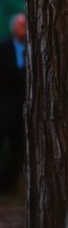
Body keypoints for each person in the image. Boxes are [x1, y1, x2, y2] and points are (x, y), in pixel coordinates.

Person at [0, 12, 26, 194]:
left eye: (24, 25)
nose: (22, 29)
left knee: (19, 148)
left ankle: (8, 185)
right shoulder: (3, 48)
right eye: (19, 25)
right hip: (4, 107)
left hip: (23, 108)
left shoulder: (33, 49)